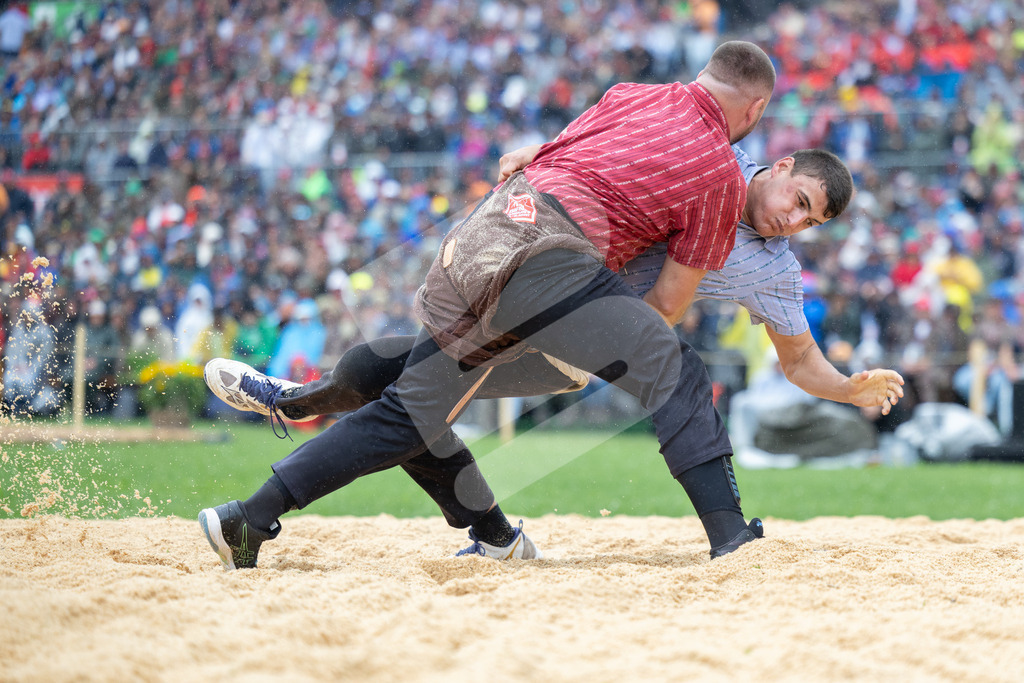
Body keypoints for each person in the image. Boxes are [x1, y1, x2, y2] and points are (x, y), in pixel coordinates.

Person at [199, 41, 781, 570]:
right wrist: (589, 341)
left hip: (483, 232)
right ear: (753, 112)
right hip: (549, 257)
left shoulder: (631, 96)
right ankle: (731, 538)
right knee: (676, 369)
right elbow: (668, 305)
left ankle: (249, 518)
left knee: (413, 410)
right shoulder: (719, 172)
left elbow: (538, 159)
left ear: (704, 76)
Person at [206, 144, 905, 553]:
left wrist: (847, 387)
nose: (795, 219)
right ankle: (297, 405)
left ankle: (268, 483)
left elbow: (798, 360)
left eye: (811, 219)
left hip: (573, 343)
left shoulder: (776, 269)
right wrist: (545, 157)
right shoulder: (708, 160)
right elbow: (613, 146)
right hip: (534, 278)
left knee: (413, 405)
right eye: (801, 197)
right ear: (780, 166)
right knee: (376, 372)